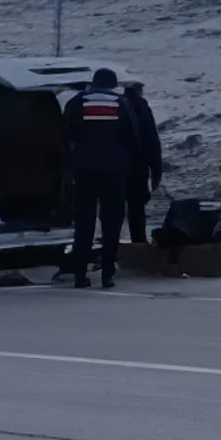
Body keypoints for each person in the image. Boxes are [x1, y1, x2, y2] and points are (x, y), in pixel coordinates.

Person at [64, 68, 141, 288]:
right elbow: (132, 138)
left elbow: (65, 135)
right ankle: (107, 272)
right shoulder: (120, 103)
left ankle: (80, 273)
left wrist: (69, 168)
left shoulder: (77, 102)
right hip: (114, 171)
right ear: (112, 84)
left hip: (84, 171)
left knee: (84, 221)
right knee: (112, 221)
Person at [122, 82, 162, 243]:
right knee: (136, 208)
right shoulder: (141, 106)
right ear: (139, 90)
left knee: (111, 207)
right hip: (137, 165)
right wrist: (156, 170)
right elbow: (151, 139)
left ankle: (110, 243)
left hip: (114, 164)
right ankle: (138, 242)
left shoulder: (117, 105)